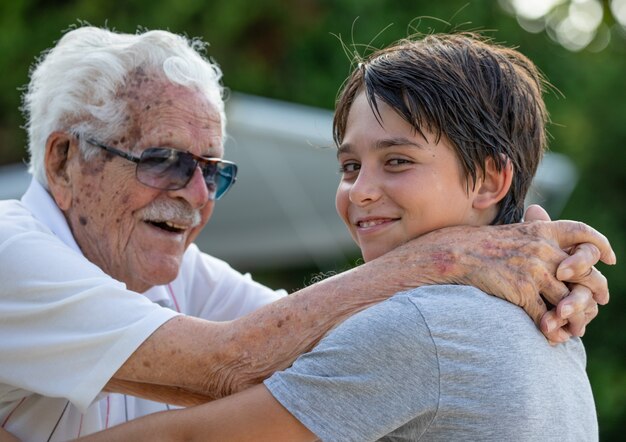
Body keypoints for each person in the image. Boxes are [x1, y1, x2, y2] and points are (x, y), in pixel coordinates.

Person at [0, 26, 613, 441]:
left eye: (212, 171)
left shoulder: (428, 325)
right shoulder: (10, 251)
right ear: (62, 161)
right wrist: (446, 256)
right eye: (164, 160)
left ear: (491, 179)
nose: (194, 195)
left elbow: (301, 337)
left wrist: (539, 266)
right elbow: (234, 359)